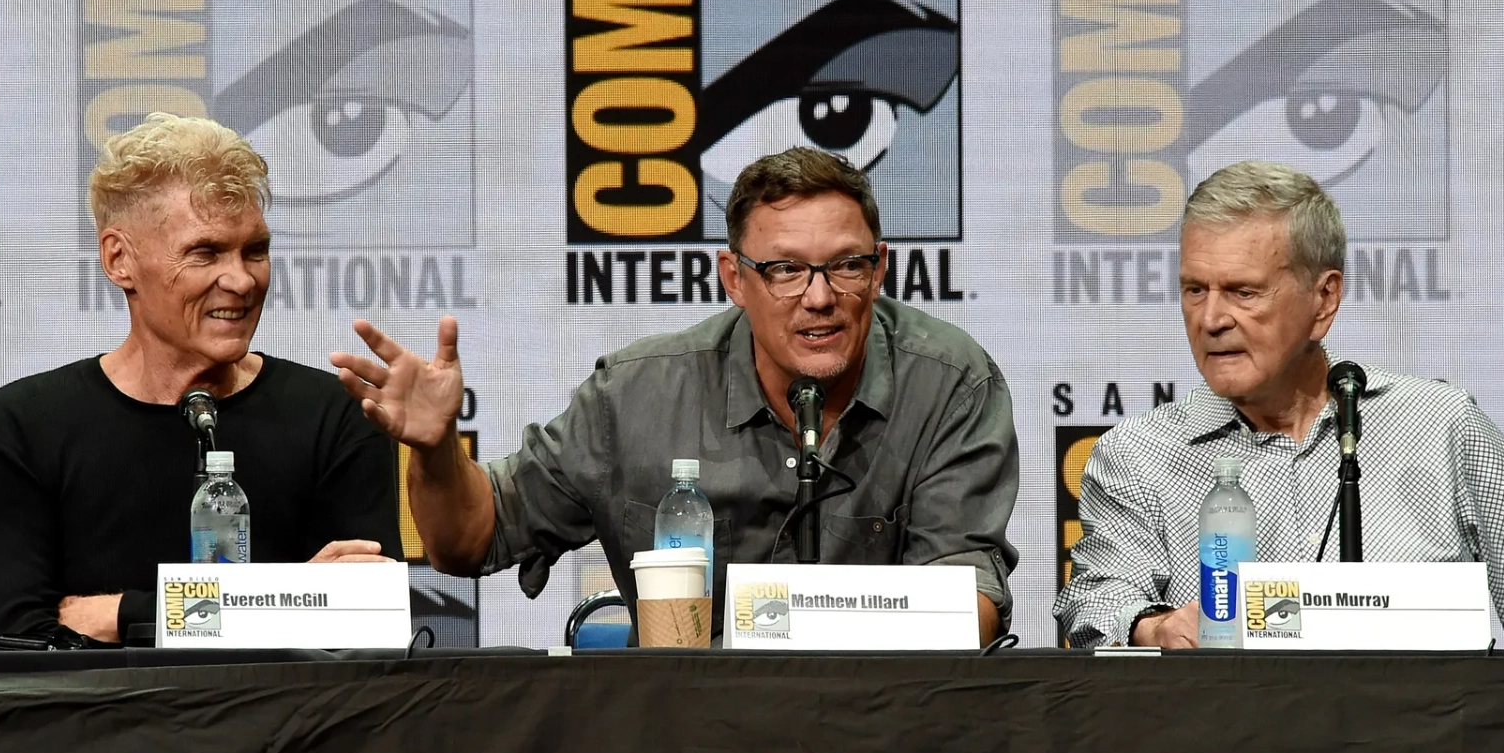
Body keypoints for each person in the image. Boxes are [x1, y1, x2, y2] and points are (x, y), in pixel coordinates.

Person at [332, 147, 1019, 642]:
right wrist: (435, 452)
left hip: (888, 732)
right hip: (684, 746)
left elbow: (973, 606)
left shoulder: (951, 382)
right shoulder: (637, 395)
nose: (820, 298)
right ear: (733, 276)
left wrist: (775, 620)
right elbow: (470, 541)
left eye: (846, 266)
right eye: (784, 270)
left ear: (880, 269)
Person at [1053, 160, 1504, 650]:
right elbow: (1090, 605)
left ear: (1324, 298)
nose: (1211, 319)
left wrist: (1490, 738)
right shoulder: (1138, 456)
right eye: (1194, 289)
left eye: (1243, 291)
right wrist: (1151, 627)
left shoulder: (1437, 426)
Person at [0, 113, 400, 641]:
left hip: (285, 724)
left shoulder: (338, 415)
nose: (241, 279)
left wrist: (120, 615)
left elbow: (365, 623)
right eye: (205, 252)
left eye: (255, 250)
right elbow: (8, 639)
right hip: (98, 722)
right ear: (120, 260)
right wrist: (288, 599)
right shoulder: (22, 427)